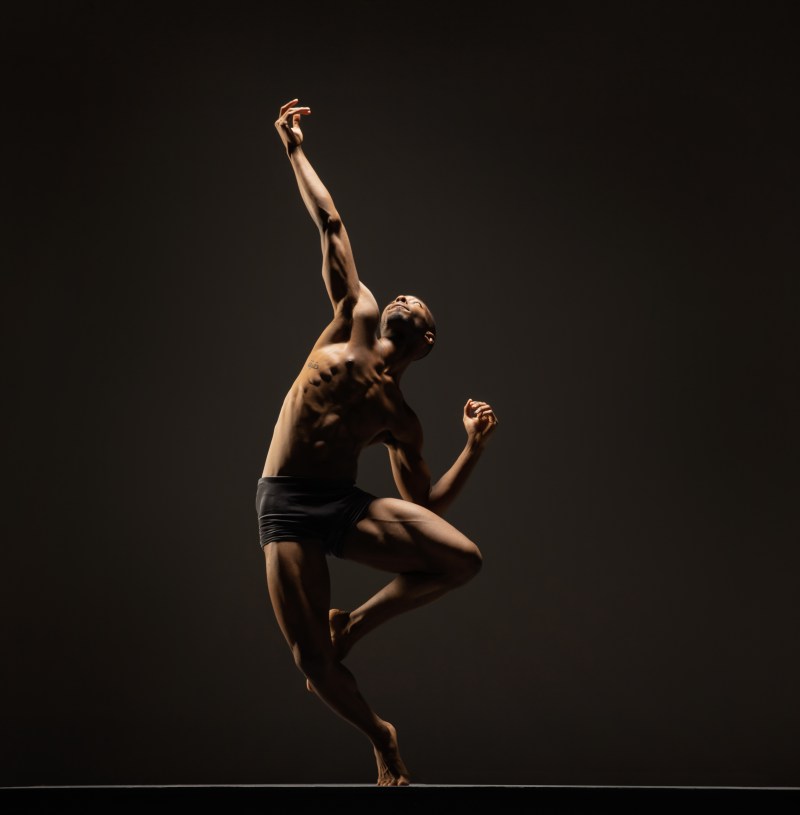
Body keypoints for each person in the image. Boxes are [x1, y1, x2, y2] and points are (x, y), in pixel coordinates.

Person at [256, 98, 499, 786]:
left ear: (426, 339)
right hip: (287, 504)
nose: (403, 299)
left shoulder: (401, 417)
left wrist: (472, 448)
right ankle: (381, 737)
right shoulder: (354, 314)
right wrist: (294, 149)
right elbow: (331, 222)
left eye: (417, 306)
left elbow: (424, 504)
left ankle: (354, 625)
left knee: (462, 560)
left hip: (339, 505)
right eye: (403, 297)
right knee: (312, 663)